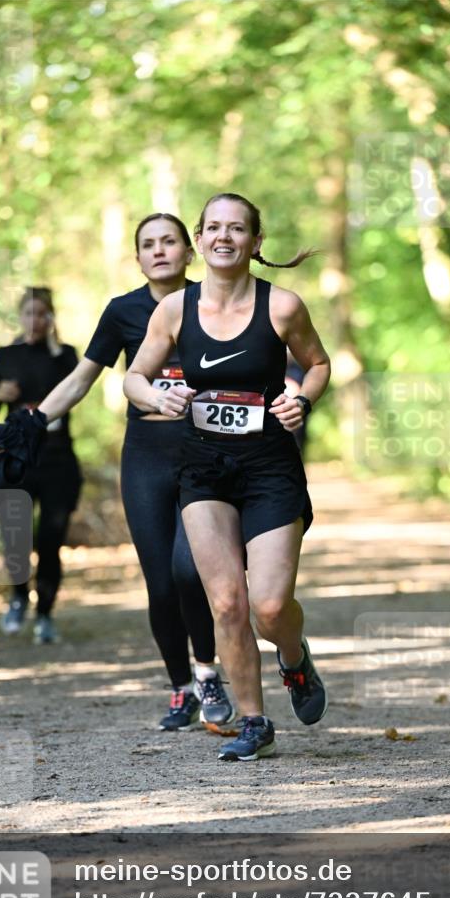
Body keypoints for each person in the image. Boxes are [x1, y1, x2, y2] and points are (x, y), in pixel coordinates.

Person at [123, 193, 331, 761]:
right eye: (212, 227)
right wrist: (157, 394)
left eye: (236, 229)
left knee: (267, 605)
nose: (223, 237)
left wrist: (302, 400)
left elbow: (317, 364)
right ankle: (254, 722)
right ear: (198, 239)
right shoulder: (174, 310)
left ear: (255, 242)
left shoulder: (282, 306)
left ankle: (293, 656)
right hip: (203, 470)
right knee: (227, 604)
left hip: (268, 469)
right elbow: (134, 378)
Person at [30, 214, 233, 732]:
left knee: (192, 572)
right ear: (138, 257)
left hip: (206, 451)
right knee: (161, 583)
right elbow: (81, 379)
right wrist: (32, 422)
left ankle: (208, 672)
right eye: (148, 244)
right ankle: (181, 689)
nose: (159, 251)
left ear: (189, 251)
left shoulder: (213, 300)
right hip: (145, 455)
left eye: (169, 241)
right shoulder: (122, 311)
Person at [0, 287, 82, 644]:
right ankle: (19, 596)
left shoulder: (66, 355)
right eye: (28, 313)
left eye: (42, 314)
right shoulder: (6, 355)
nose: (35, 320)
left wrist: (55, 347)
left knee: (51, 541)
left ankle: (45, 617)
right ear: (19, 316)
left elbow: (77, 391)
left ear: (51, 317)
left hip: (57, 461)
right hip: (16, 461)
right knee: (15, 537)